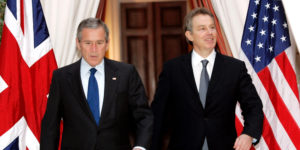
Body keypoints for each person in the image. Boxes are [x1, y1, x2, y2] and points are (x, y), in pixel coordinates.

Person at [151, 8, 263, 150]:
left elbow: (253, 106)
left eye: (212, 27)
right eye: (202, 29)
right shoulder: (172, 69)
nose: (209, 33)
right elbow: (157, 114)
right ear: (189, 35)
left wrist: (248, 134)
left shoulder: (235, 68)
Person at [41, 18, 153, 150]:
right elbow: (50, 126)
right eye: (88, 43)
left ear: (107, 44)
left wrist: (140, 147)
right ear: (78, 43)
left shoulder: (126, 74)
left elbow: (144, 116)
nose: (94, 49)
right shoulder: (62, 77)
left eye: (99, 43)